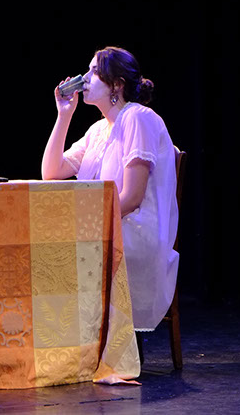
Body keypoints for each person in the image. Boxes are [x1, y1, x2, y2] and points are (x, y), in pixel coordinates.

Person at [41, 46, 178, 335]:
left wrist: (88, 225)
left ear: (116, 84)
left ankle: (82, 341)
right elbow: (51, 173)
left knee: (56, 248)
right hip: (106, 227)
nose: (84, 78)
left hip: (133, 232)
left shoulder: (138, 118)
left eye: (94, 71)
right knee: (45, 244)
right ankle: (66, 342)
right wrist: (64, 115)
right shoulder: (98, 130)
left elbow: (132, 198)